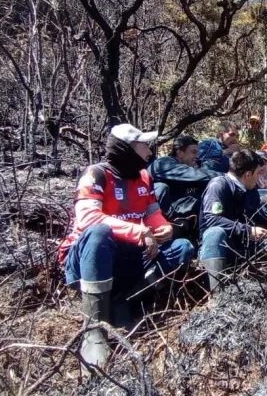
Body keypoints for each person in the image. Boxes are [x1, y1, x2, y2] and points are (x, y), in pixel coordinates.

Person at [60, 124, 194, 368]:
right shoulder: (96, 174)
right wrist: (139, 231)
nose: (149, 151)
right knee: (99, 233)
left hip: (130, 256)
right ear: (126, 148)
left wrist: (163, 227)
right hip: (89, 258)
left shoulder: (143, 176)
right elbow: (88, 219)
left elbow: (152, 212)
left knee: (182, 247)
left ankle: (123, 300)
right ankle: (94, 328)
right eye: (143, 145)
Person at [198, 150, 267, 291]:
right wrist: (249, 230)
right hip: (220, 249)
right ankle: (217, 299)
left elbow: (258, 215)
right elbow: (212, 220)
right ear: (248, 174)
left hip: (244, 247)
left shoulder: (250, 190)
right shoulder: (218, 185)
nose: (259, 177)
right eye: (257, 173)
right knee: (215, 233)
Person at [148, 136, 221, 237]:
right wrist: (228, 177)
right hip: (149, 213)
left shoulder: (188, 167)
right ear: (180, 152)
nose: (197, 156)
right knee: (160, 187)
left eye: (198, 152)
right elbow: (194, 174)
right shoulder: (164, 163)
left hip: (172, 209)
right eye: (193, 152)